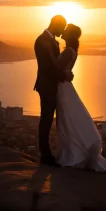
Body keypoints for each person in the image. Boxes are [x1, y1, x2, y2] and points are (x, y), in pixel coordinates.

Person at [48, 23, 106, 172]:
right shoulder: (72, 50)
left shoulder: (68, 51)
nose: (64, 31)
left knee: (66, 120)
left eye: (67, 30)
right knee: (67, 120)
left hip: (62, 88)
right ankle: (71, 154)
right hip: (65, 86)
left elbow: (54, 68)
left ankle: (71, 156)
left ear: (71, 35)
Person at [34, 15, 73, 166]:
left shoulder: (49, 40)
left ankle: (49, 155)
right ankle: (45, 156)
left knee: (48, 120)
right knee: (46, 120)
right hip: (46, 86)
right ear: (55, 25)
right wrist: (64, 76)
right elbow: (46, 67)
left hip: (50, 85)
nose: (63, 31)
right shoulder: (43, 40)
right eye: (62, 27)